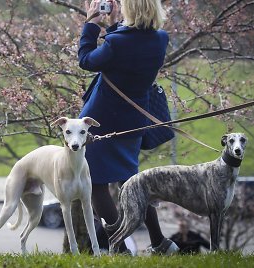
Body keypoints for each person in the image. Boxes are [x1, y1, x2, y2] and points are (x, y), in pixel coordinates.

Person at [78, 0, 179, 254]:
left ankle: (119, 247)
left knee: (96, 184)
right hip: (134, 120)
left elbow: (87, 60)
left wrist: (91, 23)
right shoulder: (160, 39)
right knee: (132, 183)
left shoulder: (117, 43)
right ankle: (160, 243)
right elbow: (126, 50)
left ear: (130, 9)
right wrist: (113, 25)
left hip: (101, 123)